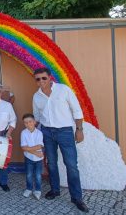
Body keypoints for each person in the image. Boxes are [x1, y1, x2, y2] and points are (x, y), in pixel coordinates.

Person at [32, 67, 89, 213]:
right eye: (38, 79)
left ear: (50, 77)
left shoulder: (64, 90)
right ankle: (55, 190)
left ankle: (76, 198)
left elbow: (77, 110)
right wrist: (32, 134)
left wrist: (79, 130)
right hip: (46, 132)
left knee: (71, 165)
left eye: (44, 78)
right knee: (51, 163)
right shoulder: (36, 96)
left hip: (64, 131)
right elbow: (37, 117)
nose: (41, 81)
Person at [20, 113, 44, 200]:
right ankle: (29, 189)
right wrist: (36, 153)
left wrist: (29, 149)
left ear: (34, 122)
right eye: (25, 122)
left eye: (30, 122)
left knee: (38, 175)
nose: (28, 124)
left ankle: (38, 190)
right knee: (29, 174)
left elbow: (40, 146)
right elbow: (23, 147)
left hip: (39, 159)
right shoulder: (23, 133)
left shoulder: (39, 133)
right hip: (28, 158)